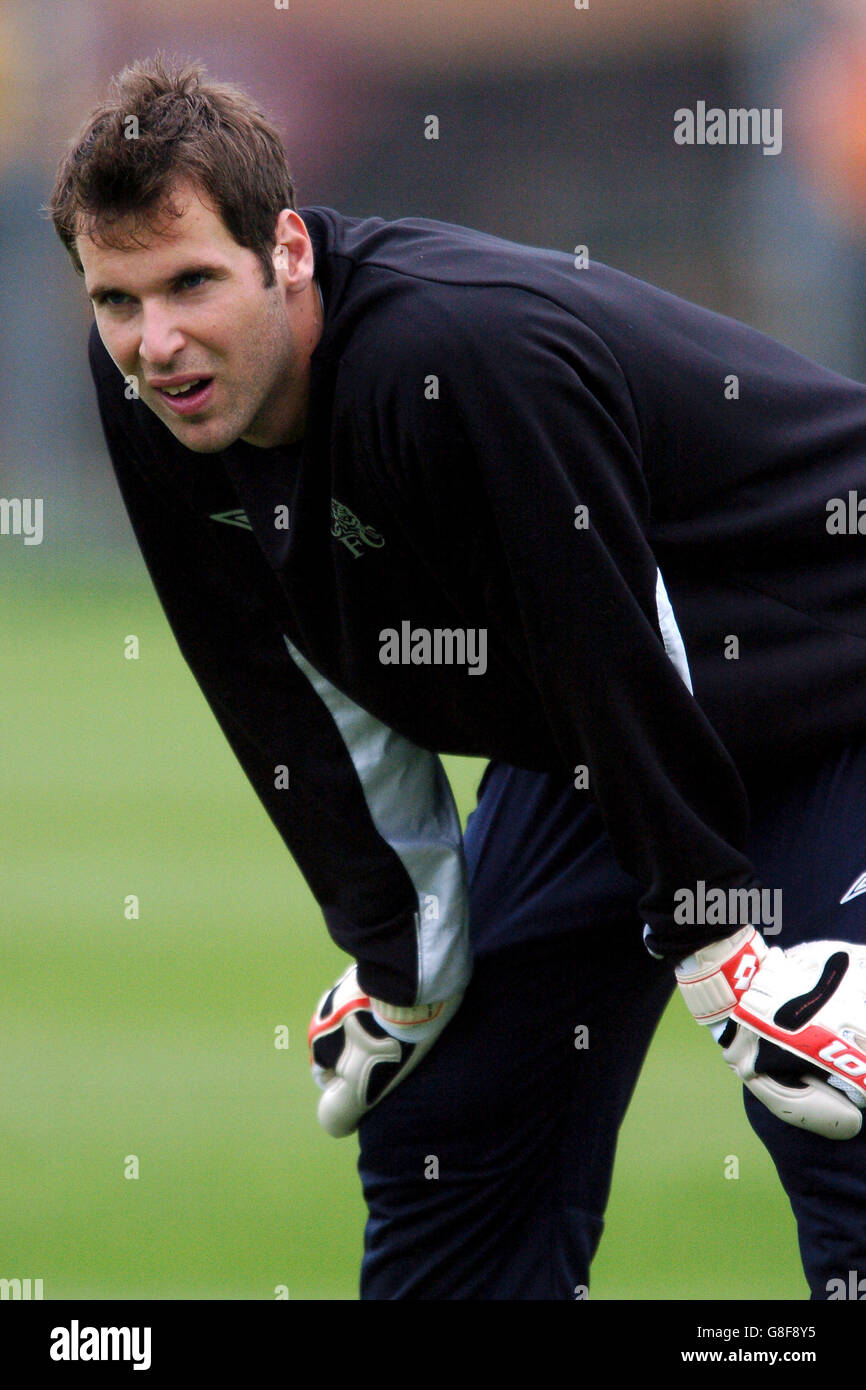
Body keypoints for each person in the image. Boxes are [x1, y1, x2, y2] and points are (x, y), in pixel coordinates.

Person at [49, 54, 866, 1300]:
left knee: (834, 1103)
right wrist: (401, 950)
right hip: (614, 727)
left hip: (824, 680)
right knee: (450, 1111)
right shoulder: (163, 400)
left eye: (191, 283)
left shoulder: (454, 353)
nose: (157, 341)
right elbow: (274, 676)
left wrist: (717, 939)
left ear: (284, 249)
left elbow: (613, 631)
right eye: (116, 299)